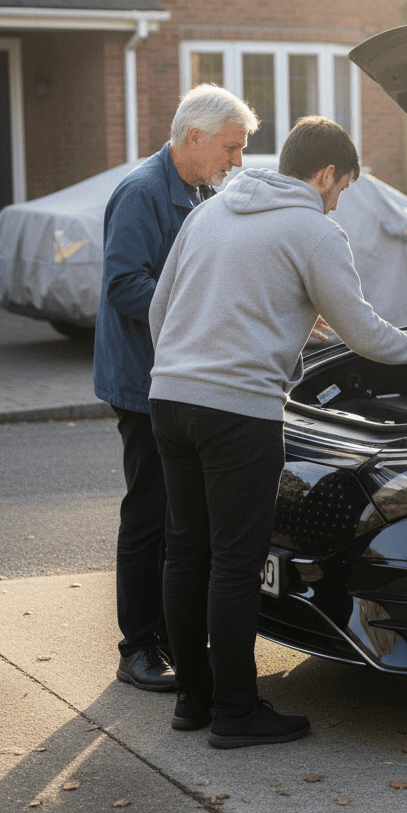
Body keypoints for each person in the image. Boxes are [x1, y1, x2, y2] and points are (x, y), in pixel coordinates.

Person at [148, 115, 407, 748]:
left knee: (186, 551)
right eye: (342, 187)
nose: (339, 200)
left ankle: (193, 700)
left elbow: (161, 309)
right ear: (324, 174)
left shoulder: (209, 212)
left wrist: (190, 366)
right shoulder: (315, 230)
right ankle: (236, 714)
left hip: (170, 398)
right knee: (235, 561)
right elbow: (365, 332)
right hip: (239, 413)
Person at [94, 85, 259, 692]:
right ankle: (137, 648)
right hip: (143, 381)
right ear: (193, 137)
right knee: (149, 515)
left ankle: (170, 638)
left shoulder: (200, 190)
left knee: (180, 521)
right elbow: (123, 286)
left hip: (180, 379)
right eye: (231, 148)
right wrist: (200, 306)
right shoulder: (142, 192)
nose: (237, 161)